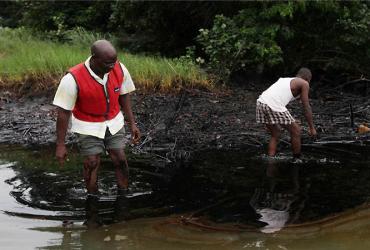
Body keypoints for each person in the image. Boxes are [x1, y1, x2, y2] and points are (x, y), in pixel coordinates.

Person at [53, 39, 141, 195]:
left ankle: (124, 193)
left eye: (114, 61)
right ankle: (92, 197)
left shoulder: (119, 68)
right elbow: (63, 112)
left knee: (120, 159)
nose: (112, 66)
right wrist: (61, 145)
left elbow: (124, 95)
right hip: (87, 124)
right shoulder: (72, 78)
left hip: (114, 121)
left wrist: (132, 123)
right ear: (94, 58)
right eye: (108, 63)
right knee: (92, 162)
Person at [256, 67, 317, 161]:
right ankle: (297, 159)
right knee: (296, 130)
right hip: (273, 104)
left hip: (261, 103)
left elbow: (280, 98)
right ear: (308, 78)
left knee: (275, 133)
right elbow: (306, 106)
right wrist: (312, 128)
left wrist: (291, 120)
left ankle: (270, 159)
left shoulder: (285, 80)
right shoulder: (304, 83)